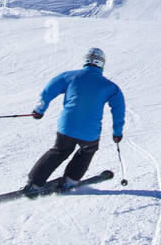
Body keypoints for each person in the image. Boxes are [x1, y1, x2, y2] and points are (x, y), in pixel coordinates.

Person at [22, 47, 125, 197]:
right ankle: (70, 181)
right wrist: (117, 133)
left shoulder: (69, 76)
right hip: (90, 132)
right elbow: (118, 110)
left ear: (85, 61)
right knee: (87, 151)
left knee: (59, 151)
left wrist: (39, 110)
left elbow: (48, 91)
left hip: (67, 126)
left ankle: (35, 183)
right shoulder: (111, 87)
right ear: (102, 64)